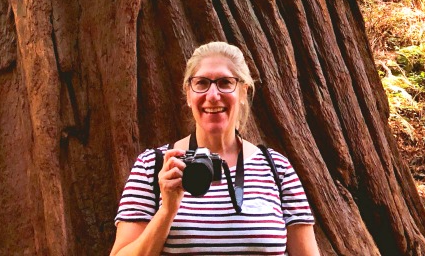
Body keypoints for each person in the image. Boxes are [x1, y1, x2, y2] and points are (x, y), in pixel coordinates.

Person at [110, 41, 321, 256]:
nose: (212, 95)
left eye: (225, 82)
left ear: (242, 92)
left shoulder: (277, 168)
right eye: (201, 83)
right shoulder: (154, 166)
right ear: (188, 95)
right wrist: (167, 211)